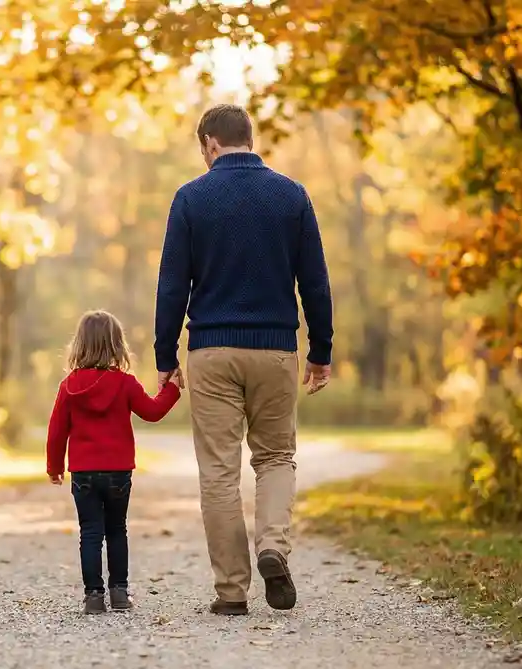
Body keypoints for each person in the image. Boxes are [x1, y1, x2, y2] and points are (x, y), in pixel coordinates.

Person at [153, 104, 334, 616]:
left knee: (219, 472)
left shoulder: (190, 198)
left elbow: (172, 284)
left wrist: (165, 355)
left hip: (211, 350)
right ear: (247, 139)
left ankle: (232, 593)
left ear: (210, 143)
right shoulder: (292, 195)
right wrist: (321, 350)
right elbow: (315, 282)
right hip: (276, 347)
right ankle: (272, 545)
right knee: (275, 457)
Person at [46, 310, 182, 614]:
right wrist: (172, 388)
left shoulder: (68, 387)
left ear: (79, 345)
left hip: (83, 473)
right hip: (118, 472)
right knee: (117, 529)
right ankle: (119, 593)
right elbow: (153, 411)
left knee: (90, 532)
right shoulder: (125, 384)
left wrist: (55, 467)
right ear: (117, 345)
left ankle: (93, 596)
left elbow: (56, 433)